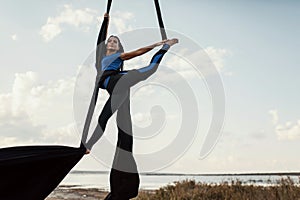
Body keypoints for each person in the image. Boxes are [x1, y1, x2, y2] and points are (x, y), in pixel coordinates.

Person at [85, 12, 178, 199]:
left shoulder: (120, 57)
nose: (112, 43)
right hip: (114, 84)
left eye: (115, 42)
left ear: (119, 48)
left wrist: (158, 45)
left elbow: (136, 53)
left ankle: (166, 48)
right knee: (107, 119)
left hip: (121, 81)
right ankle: (89, 146)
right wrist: (105, 21)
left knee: (150, 69)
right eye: (110, 41)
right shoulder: (100, 59)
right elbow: (99, 40)